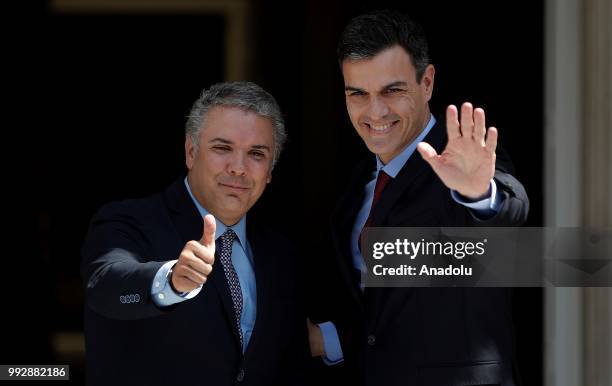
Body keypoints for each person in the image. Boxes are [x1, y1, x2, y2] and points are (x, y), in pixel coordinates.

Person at [307, 10, 529, 386]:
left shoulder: (462, 159)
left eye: (392, 91)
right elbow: (384, 317)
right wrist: (324, 340)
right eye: (358, 93)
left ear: (427, 83)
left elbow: (506, 213)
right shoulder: (355, 183)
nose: (375, 111)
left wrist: (476, 194)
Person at [81, 81, 308, 386]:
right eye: (222, 148)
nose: (238, 168)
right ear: (191, 152)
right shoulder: (127, 222)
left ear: (269, 171)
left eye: (256, 153)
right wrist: (171, 281)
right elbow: (105, 285)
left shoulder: (282, 255)